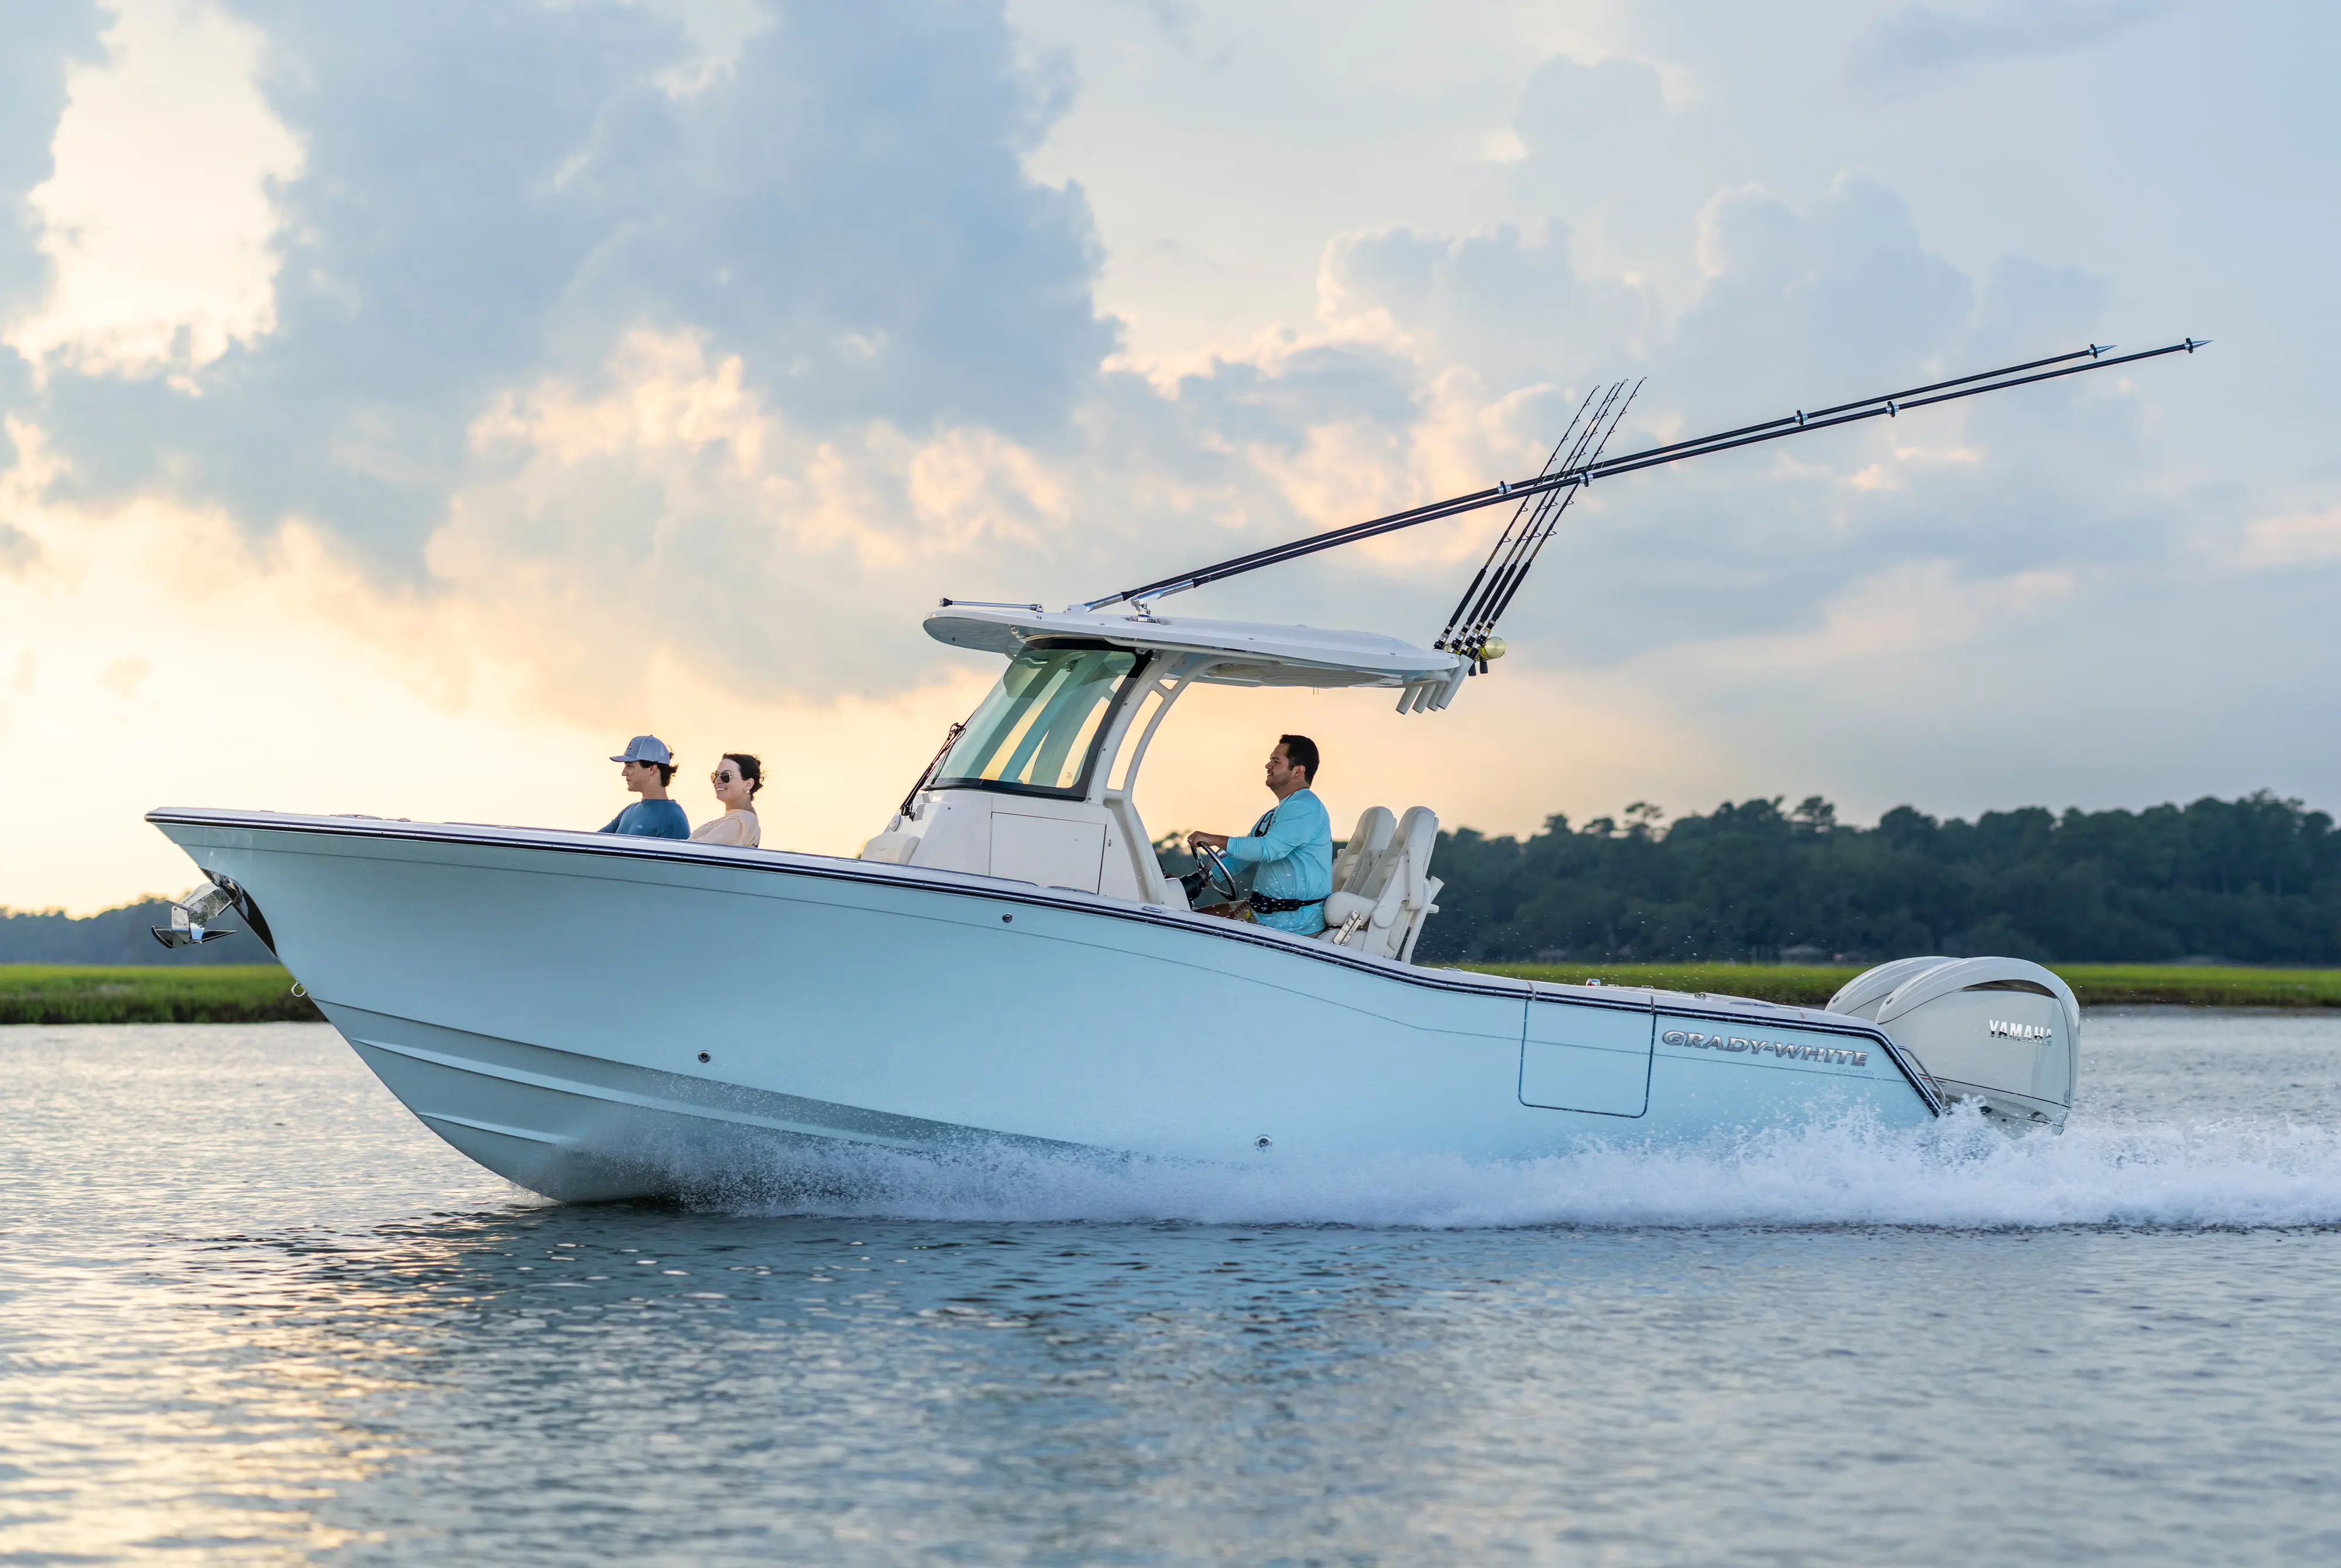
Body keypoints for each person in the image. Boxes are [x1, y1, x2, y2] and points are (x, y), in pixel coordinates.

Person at [1185, 734, 1331, 934]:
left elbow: (1268, 850)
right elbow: (1239, 859)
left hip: (1293, 925)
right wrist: (1197, 881)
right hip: (1263, 913)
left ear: (1298, 771)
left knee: (1194, 930)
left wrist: (1215, 839)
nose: (1268, 765)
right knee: (1194, 921)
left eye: (1276, 762)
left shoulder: (1305, 807)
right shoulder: (1277, 813)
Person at [601, 735, 691, 839]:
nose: (624, 773)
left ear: (652, 769)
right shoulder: (630, 810)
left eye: (629, 766)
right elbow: (593, 841)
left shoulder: (673, 817)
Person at [689, 752, 763, 847]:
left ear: (748, 784)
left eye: (726, 776)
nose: (717, 781)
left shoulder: (739, 822)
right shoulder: (742, 819)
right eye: (716, 775)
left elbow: (694, 849)